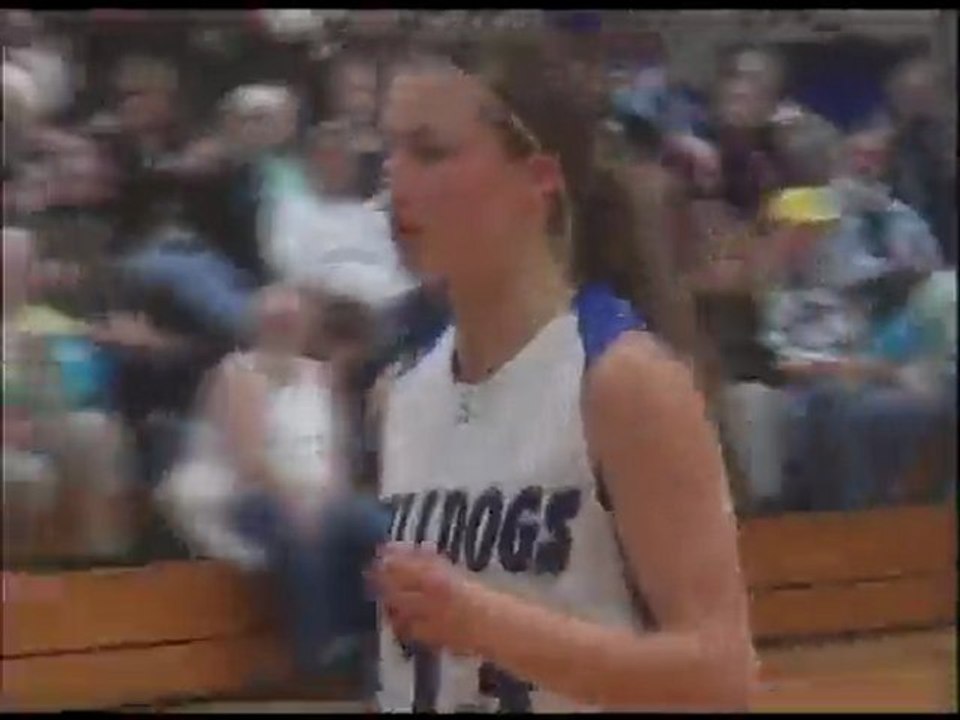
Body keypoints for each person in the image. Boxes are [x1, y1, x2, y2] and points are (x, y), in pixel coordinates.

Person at [370, 40, 754, 712]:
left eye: (430, 152)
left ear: (539, 178)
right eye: (391, 150)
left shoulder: (621, 379)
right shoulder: (402, 393)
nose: (394, 179)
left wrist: (487, 626)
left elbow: (721, 677)